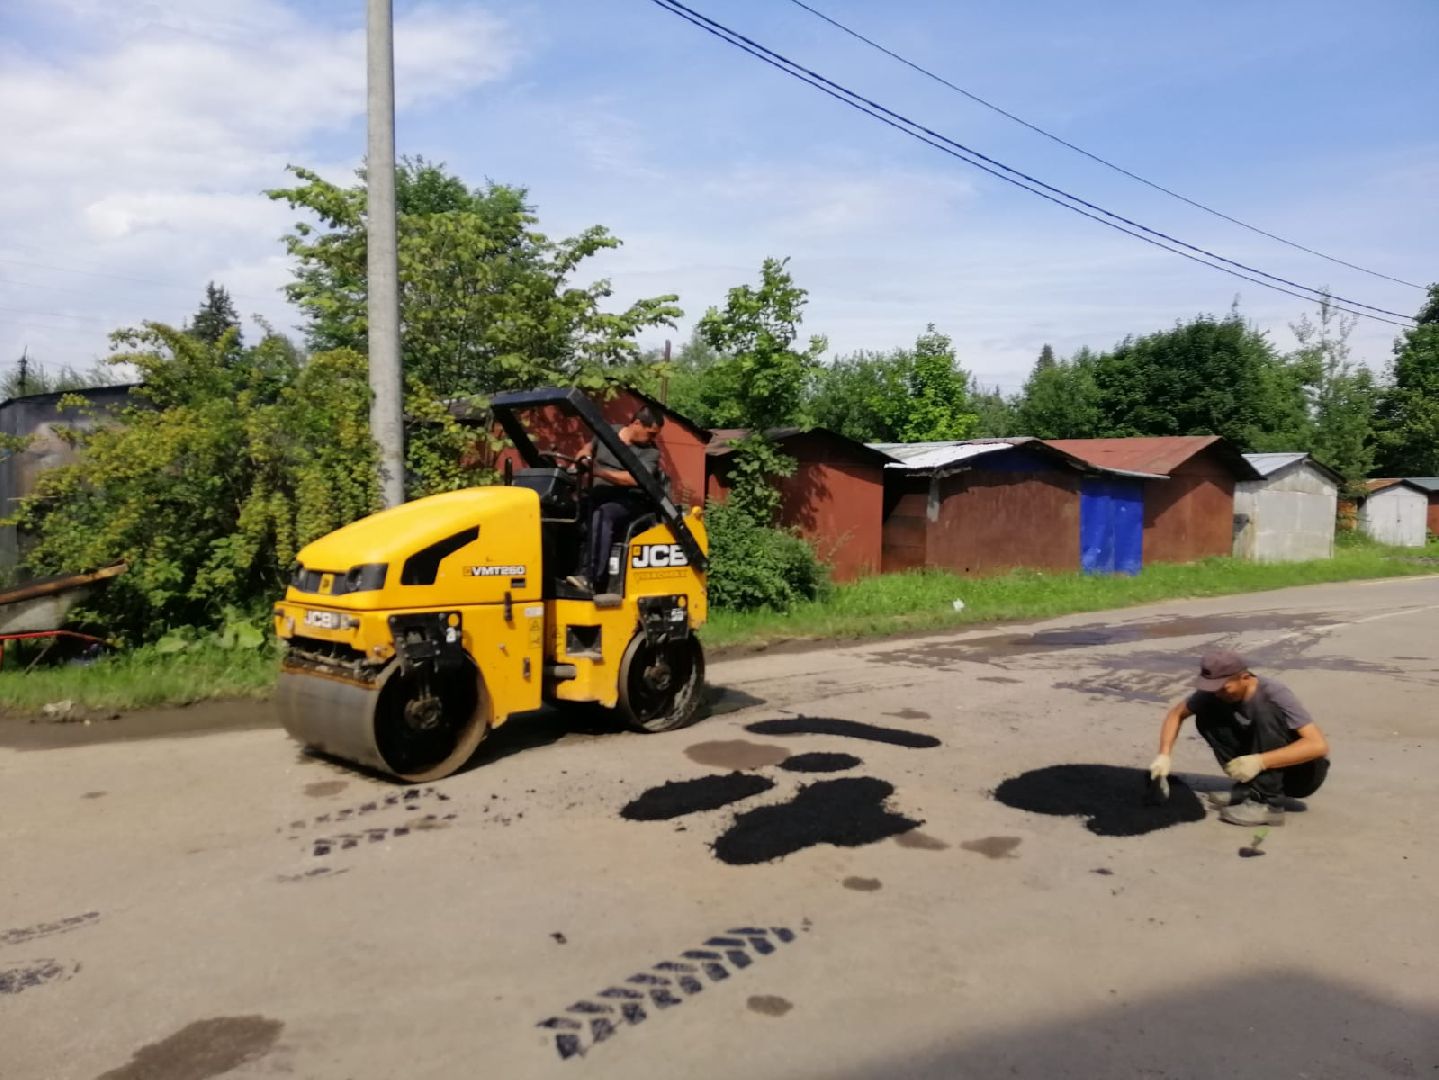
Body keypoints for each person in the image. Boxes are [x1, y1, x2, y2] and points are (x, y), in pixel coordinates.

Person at [1149, 650, 1330, 827]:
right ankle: (1252, 788)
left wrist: (1260, 761)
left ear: (1244, 678)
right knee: (1206, 715)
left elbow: (1318, 745)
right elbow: (1176, 714)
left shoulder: (1273, 693)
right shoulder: (1216, 691)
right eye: (1213, 688)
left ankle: (1268, 803)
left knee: (1265, 711)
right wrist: (1164, 756)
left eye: (1223, 688)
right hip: (1269, 765)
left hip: (1302, 774)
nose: (1218, 693)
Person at [566, 406, 668, 595]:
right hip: (596, 494)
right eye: (651, 433)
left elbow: (634, 478)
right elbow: (589, 447)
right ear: (636, 423)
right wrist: (584, 457)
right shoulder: (608, 433)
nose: (652, 439)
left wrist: (599, 472)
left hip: (628, 501)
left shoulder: (650, 452)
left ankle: (591, 578)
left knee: (603, 515)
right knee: (562, 511)